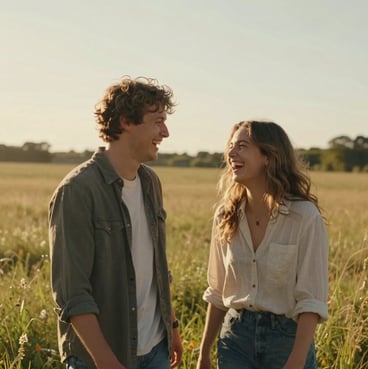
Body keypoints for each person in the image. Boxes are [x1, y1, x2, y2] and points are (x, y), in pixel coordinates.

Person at [48, 76, 183, 369]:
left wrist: (171, 326)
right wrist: (108, 363)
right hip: (100, 358)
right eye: (158, 121)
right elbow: (72, 293)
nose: (166, 132)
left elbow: (157, 266)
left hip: (156, 349)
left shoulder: (150, 183)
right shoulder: (77, 191)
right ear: (125, 121)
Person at [196, 121, 328, 369]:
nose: (231, 154)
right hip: (235, 339)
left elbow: (312, 298)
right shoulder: (226, 215)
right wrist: (203, 354)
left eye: (242, 146)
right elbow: (217, 291)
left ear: (269, 156)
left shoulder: (304, 216)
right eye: (231, 146)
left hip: (287, 341)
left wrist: (296, 361)